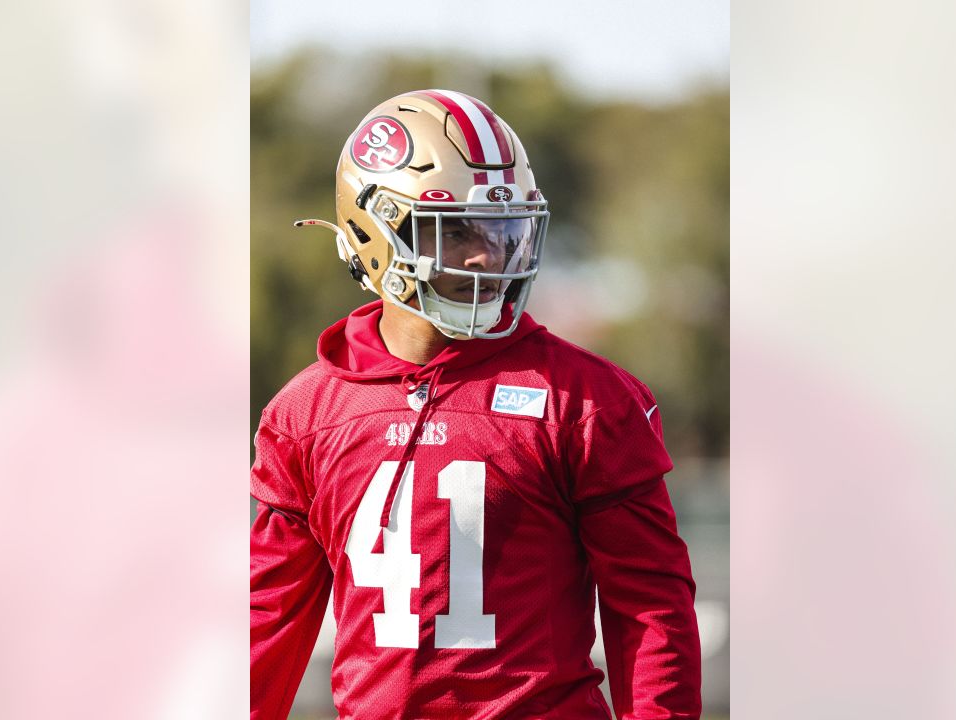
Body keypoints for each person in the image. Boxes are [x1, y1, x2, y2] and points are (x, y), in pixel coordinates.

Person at [251, 89, 701, 719]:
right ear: (373, 233)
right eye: (455, 227)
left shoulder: (585, 400)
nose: (486, 255)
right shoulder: (306, 414)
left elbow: (651, 610)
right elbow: (265, 623)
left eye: (501, 227)